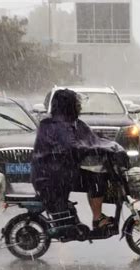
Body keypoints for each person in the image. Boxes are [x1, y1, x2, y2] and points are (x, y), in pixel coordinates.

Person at [31, 89, 125, 234]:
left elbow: (89, 139)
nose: (79, 107)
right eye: (77, 104)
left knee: (95, 177)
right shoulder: (59, 125)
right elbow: (73, 147)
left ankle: (97, 217)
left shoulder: (63, 122)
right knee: (96, 179)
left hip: (57, 172)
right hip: (54, 176)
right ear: (68, 105)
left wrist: (104, 144)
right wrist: (99, 150)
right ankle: (98, 218)